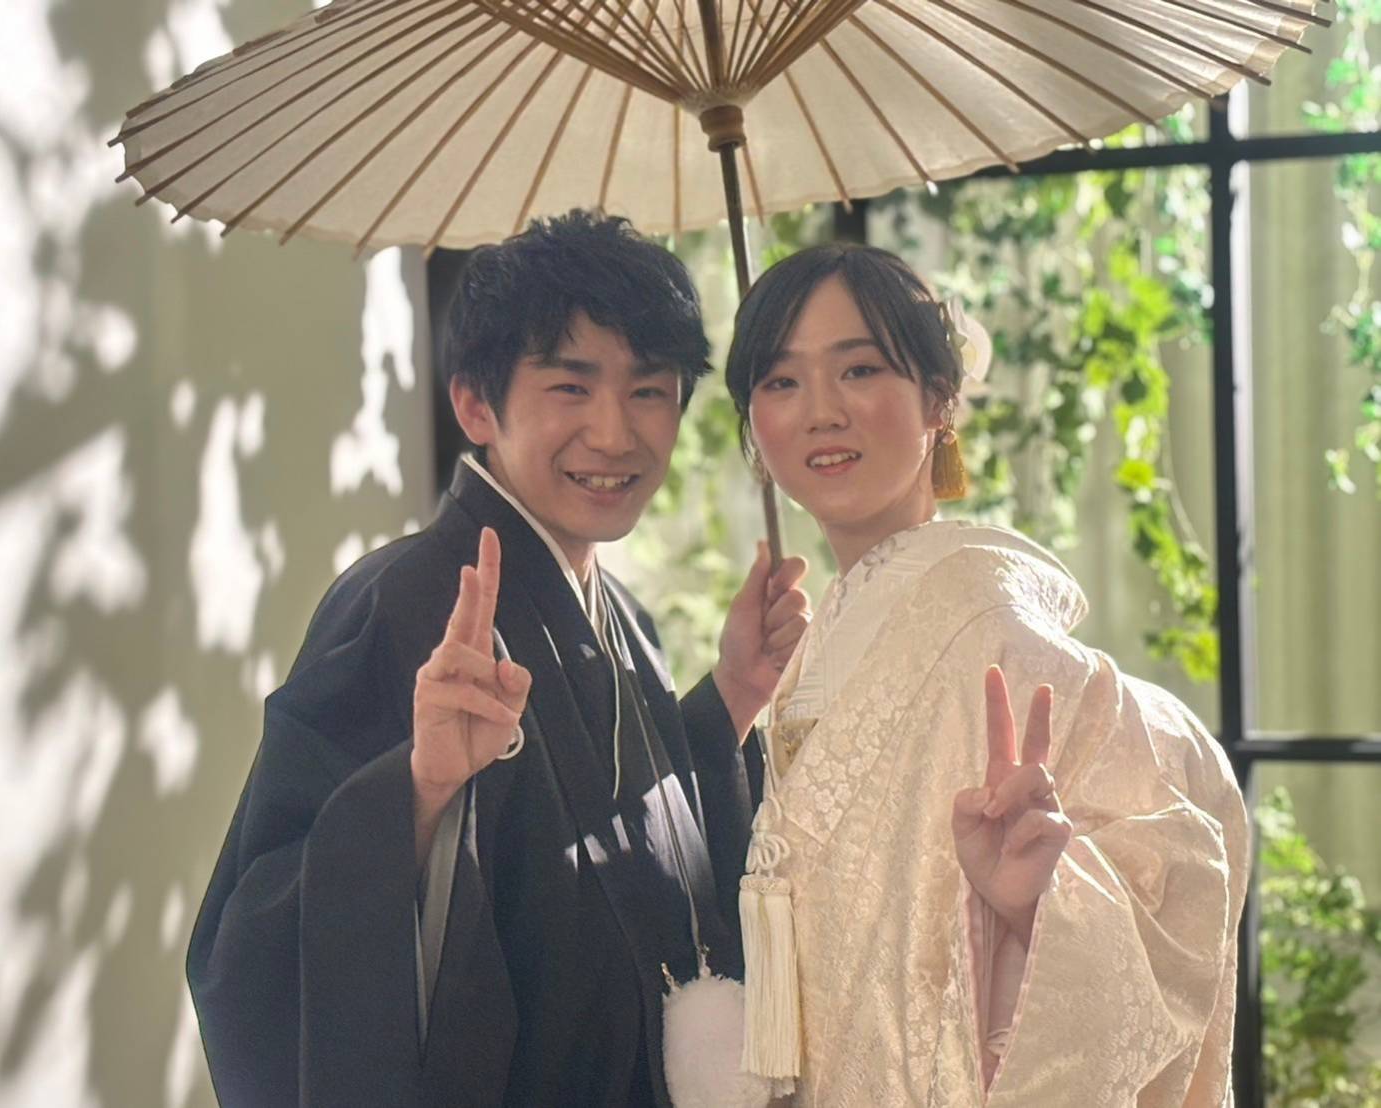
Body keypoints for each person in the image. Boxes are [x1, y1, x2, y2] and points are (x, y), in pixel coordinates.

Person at [186, 210, 811, 1107]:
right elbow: (252, 938)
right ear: (476, 404)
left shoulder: (624, 617)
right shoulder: (405, 604)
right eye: (570, 387)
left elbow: (637, 852)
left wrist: (732, 698)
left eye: (649, 390)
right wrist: (416, 789)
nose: (614, 434)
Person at [724, 243, 1248, 1106]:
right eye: (780, 381)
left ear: (939, 399)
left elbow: (1172, 866)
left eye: (859, 369)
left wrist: (1035, 906)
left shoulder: (994, 629)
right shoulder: (811, 644)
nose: (820, 411)